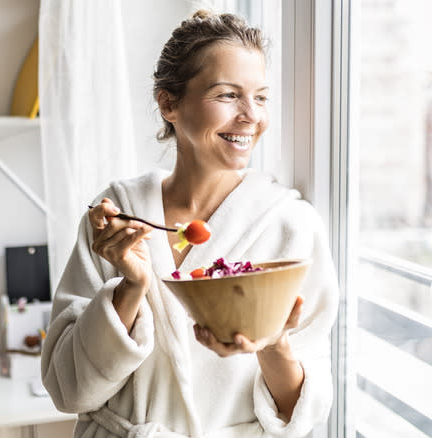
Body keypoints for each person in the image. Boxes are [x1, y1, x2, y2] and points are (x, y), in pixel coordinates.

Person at [41, 10, 339, 438]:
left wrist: (272, 342)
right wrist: (130, 287)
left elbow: (303, 414)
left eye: (261, 97)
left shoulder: (291, 226)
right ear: (169, 103)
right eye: (227, 95)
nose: (251, 115)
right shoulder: (117, 220)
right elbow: (69, 392)